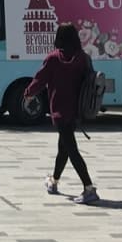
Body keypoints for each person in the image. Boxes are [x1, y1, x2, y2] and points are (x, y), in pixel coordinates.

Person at [24, 24, 98, 204]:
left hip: (59, 110)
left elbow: (39, 80)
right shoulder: (83, 58)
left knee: (71, 150)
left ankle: (89, 188)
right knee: (63, 148)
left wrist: (28, 94)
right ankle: (54, 181)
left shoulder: (53, 59)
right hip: (76, 111)